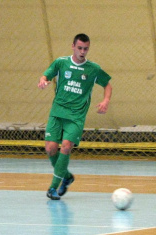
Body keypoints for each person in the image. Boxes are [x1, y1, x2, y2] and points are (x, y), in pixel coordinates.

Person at [37, 33, 112, 200]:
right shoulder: (61, 62)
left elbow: (107, 84)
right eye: (79, 48)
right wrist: (43, 81)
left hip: (76, 116)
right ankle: (66, 176)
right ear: (73, 46)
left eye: (85, 48)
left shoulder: (93, 69)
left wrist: (105, 100)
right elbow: (46, 75)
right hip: (57, 112)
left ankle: (52, 188)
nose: (82, 51)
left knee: (66, 146)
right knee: (50, 149)